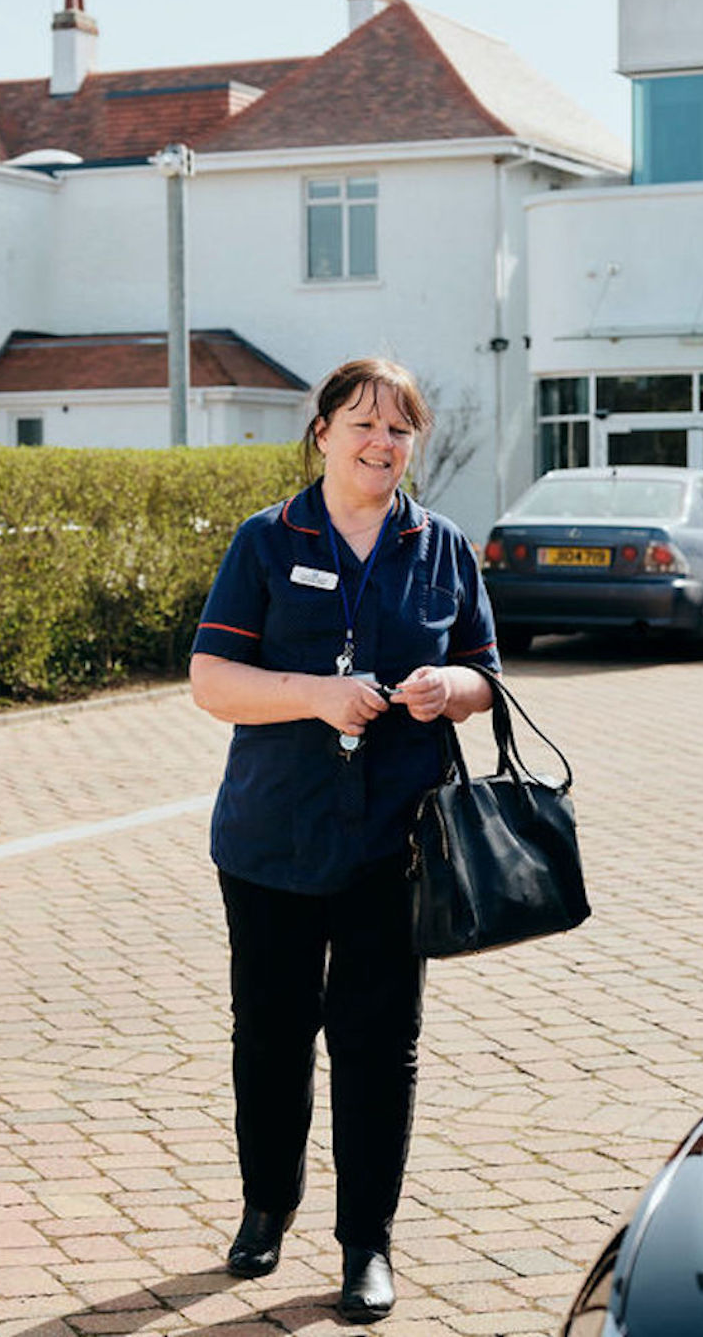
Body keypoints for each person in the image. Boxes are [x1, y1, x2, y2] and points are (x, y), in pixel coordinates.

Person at [189, 357, 499, 1323]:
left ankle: (367, 1245)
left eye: (401, 429)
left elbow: (488, 675)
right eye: (364, 423)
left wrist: (452, 691)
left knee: (379, 1046)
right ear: (321, 432)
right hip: (272, 842)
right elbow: (211, 681)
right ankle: (264, 1209)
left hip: (395, 846)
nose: (382, 444)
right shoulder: (268, 541)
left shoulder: (440, 544)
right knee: (271, 1036)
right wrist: (318, 696)